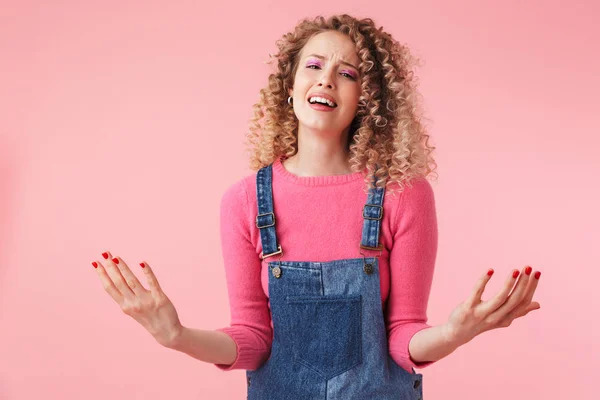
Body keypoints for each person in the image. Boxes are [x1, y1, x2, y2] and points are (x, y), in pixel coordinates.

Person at [91, 14, 542, 400]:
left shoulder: (403, 194)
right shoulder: (245, 201)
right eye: (314, 65)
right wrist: (178, 337)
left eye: (348, 73)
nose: (327, 78)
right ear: (290, 87)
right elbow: (253, 339)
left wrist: (454, 334)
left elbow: (403, 335)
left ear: (367, 102)